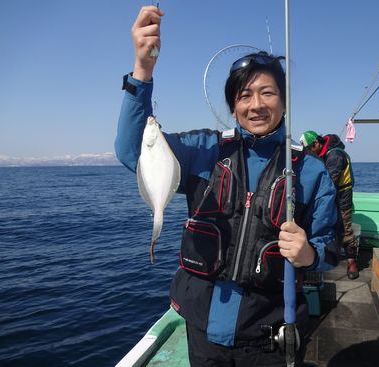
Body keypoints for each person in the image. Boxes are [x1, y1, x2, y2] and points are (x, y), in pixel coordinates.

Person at [115, 6, 338, 366]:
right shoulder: (204, 150)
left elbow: (331, 247)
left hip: (268, 336)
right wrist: (143, 70)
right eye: (245, 96)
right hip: (202, 330)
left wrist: (309, 254)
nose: (256, 105)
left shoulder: (309, 170)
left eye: (268, 93)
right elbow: (131, 152)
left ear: (284, 101)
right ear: (233, 107)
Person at [300, 131, 358, 279]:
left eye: (309, 149)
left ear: (317, 144)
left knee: (345, 229)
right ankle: (335, 255)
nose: (308, 153)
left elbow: (330, 180)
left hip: (341, 197)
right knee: (333, 227)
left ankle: (352, 262)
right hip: (332, 196)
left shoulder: (334, 155)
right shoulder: (325, 154)